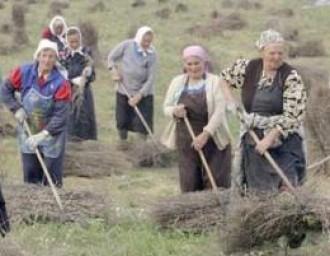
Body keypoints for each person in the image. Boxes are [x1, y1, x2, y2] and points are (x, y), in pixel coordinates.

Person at [220, 29, 307, 192]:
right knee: (259, 190)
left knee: (287, 188)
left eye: (280, 53)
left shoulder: (291, 76)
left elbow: (293, 116)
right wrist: (230, 102)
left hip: (284, 139)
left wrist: (269, 138)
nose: (277, 57)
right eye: (272, 53)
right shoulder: (248, 68)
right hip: (254, 136)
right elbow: (224, 78)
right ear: (261, 51)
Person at [1, 39, 71, 187]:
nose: (47, 60)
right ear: (38, 56)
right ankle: (33, 205)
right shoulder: (23, 72)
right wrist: (16, 108)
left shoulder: (61, 83)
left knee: (51, 176)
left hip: (52, 135)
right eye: (44, 55)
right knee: (31, 173)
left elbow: (61, 115)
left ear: (55, 59)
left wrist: (43, 134)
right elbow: (5, 90)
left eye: (51, 56)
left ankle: (51, 206)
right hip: (28, 128)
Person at [162, 45, 232, 193]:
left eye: (197, 63)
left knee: (215, 182)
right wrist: (175, 111)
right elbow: (166, 107)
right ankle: (193, 213)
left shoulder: (215, 81)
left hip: (213, 138)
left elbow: (220, 111)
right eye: (189, 64)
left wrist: (205, 134)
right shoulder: (177, 82)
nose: (193, 67)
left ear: (204, 63)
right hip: (186, 138)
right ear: (184, 65)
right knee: (189, 181)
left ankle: (216, 213)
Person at [107, 26, 157, 148]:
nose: (146, 44)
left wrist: (139, 95)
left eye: (149, 41)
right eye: (144, 41)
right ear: (139, 38)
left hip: (143, 93)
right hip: (124, 90)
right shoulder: (127, 45)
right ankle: (122, 146)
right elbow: (111, 58)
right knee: (122, 121)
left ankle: (142, 151)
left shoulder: (152, 54)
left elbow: (151, 78)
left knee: (142, 126)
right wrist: (114, 71)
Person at [62, 27, 97, 140]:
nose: (74, 44)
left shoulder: (86, 54)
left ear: (80, 40)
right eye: (71, 42)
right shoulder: (64, 56)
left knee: (85, 120)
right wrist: (71, 81)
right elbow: (61, 75)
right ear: (67, 42)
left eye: (76, 41)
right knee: (71, 121)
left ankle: (85, 147)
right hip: (69, 93)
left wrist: (88, 73)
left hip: (84, 93)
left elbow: (92, 75)